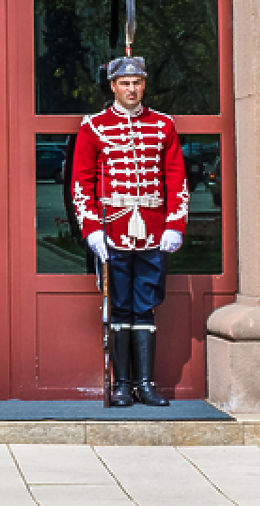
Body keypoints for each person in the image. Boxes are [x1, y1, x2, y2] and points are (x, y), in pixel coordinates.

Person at [71, 54, 187, 407]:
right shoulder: (93, 127)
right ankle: (122, 384)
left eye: (137, 83)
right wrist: (91, 228)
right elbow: (81, 182)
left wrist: (174, 224)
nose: (131, 89)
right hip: (112, 230)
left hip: (153, 232)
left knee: (146, 306)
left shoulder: (164, 126)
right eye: (124, 83)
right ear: (113, 86)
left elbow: (176, 178)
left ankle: (146, 384)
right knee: (119, 306)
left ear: (144, 84)